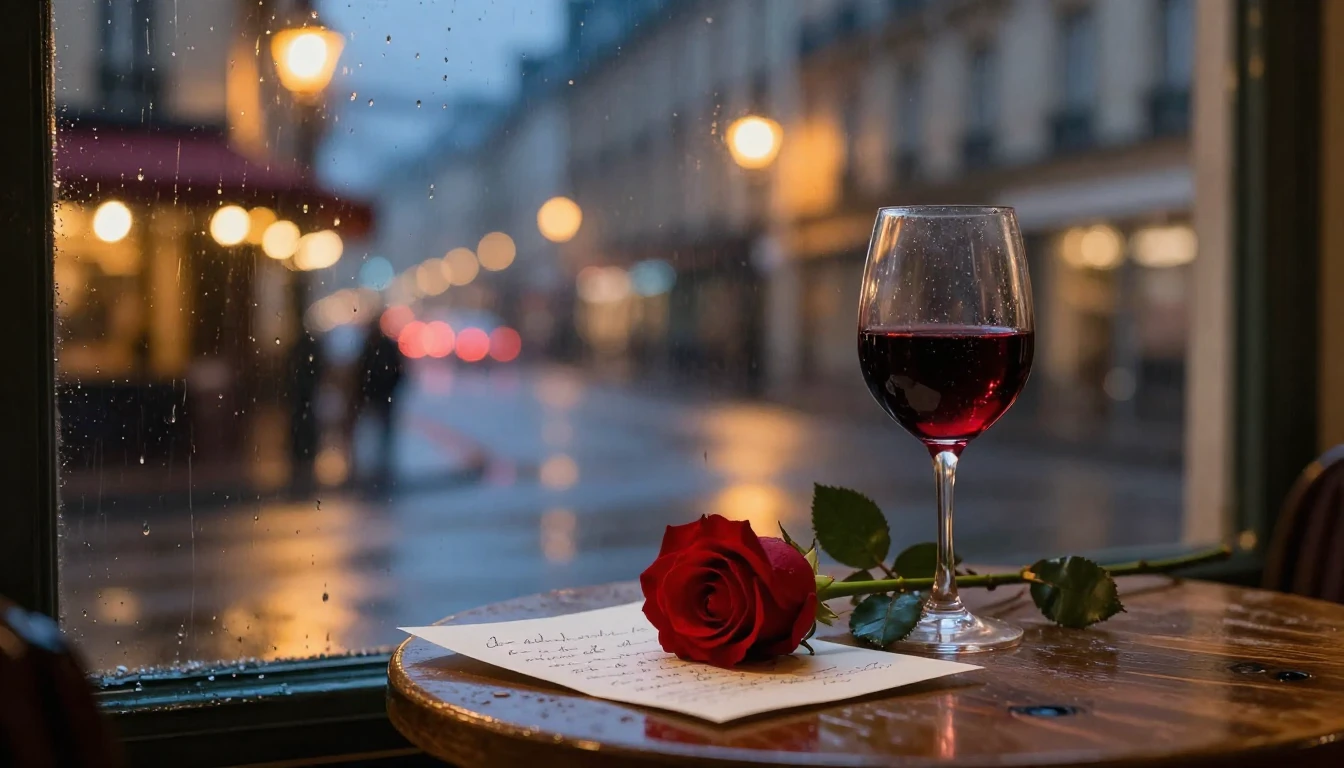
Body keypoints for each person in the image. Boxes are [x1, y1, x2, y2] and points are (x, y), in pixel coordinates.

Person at [352, 321, 406, 490]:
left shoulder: (370, 347)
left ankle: (378, 464)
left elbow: (362, 372)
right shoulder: (378, 347)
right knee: (382, 431)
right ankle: (381, 464)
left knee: (377, 430)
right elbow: (398, 371)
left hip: (376, 396)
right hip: (381, 396)